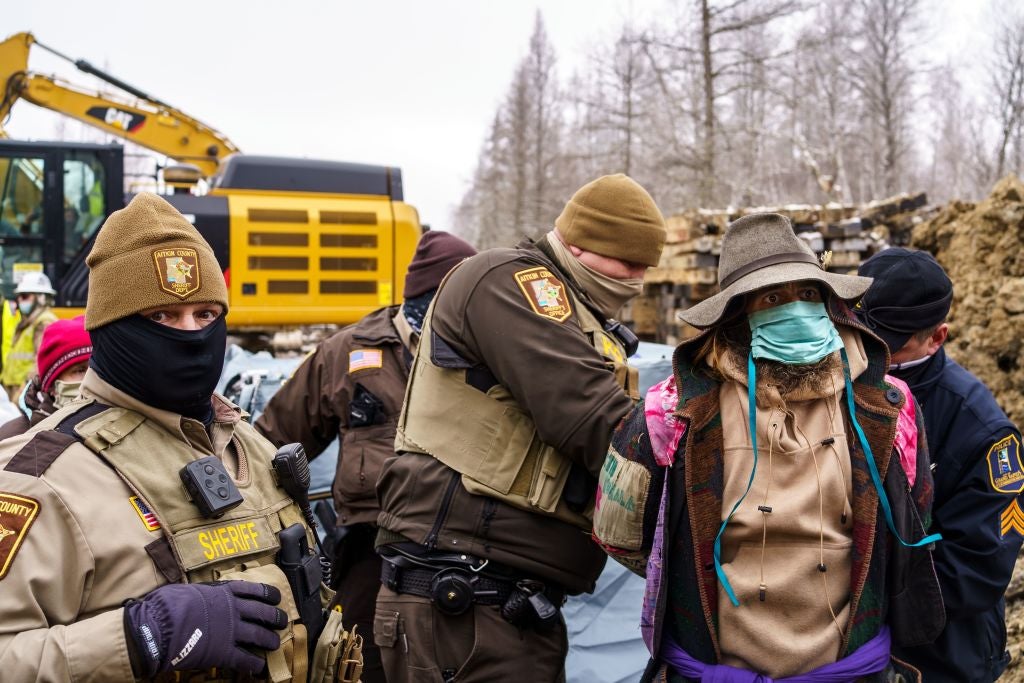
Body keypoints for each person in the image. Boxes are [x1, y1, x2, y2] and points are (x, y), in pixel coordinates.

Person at [0, 192, 360, 682]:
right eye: (162, 317)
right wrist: (138, 637)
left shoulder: (246, 444)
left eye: (206, 315)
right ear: (109, 328)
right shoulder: (42, 480)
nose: (189, 335)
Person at [593, 213, 944, 682]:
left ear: (829, 303)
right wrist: (688, 569)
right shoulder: (671, 411)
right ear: (736, 315)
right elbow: (620, 533)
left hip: (848, 671)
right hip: (717, 670)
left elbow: (914, 516)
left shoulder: (887, 410)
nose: (796, 309)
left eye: (808, 294)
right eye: (773, 298)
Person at [372, 173, 666, 682]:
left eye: (645, 266)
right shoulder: (513, 281)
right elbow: (591, 417)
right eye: (627, 262)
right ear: (578, 243)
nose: (636, 278)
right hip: (462, 595)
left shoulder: (584, 316)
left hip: (503, 600)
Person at [255, 229, 477, 683]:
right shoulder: (347, 353)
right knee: (357, 666)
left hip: (471, 556)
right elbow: (270, 445)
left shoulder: (491, 353)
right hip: (373, 555)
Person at [857, 247, 1022, 682]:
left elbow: (977, 568)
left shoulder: (982, 432)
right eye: (861, 333)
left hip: (941, 654)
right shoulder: (844, 381)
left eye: (890, 343)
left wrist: (867, 602)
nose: (872, 352)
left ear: (938, 336)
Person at [0, 315, 91, 439]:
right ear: (52, 387)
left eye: (95, 367)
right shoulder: (14, 438)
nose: (91, 378)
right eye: (79, 370)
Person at [1, 271, 58, 398]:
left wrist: (23, 393)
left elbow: (40, 363)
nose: (20, 300)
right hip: (13, 390)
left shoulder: (44, 322)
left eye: (25, 296)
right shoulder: (28, 322)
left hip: (23, 392)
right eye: (19, 296)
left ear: (41, 298)